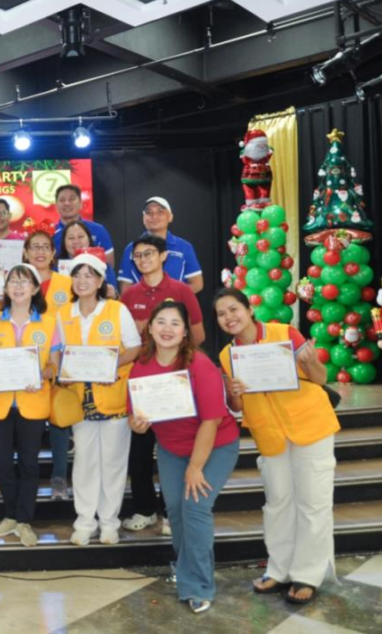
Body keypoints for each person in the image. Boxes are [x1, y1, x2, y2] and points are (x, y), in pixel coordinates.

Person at [215, 287, 339, 606]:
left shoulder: (284, 333)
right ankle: (279, 569)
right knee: (277, 503)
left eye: (233, 309)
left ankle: (307, 575)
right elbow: (237, 405)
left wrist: (310, 362)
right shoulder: (227, 355)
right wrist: (233, 391)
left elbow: (320, 375)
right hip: (270, 435)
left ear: (249, 309)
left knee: (313, 503)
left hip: (310, 426)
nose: (229, 317)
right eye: (221, 313)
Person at [128, 300, 239, 615]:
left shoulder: (199, 364)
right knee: (175, 510)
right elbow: (135, 418)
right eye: (160, 322)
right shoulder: (141, 366)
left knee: (195, 506)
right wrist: (136, 424)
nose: (167, 329)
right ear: (150, 327)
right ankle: (186, 565)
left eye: (175, 323)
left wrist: (195, 468)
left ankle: (198, 585)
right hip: (171, 448)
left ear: (185, 331)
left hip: (215, 445)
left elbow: (212, 420)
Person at [119, 233, 205, 534]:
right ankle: (145, 508)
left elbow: (199, 336)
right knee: (139, 452)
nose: (144, 260)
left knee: (177, 449)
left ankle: (172, 512)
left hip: (175, 381)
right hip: (142, 382)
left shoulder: (181, 290)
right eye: (138, 256)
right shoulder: (128, 296)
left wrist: (170, 345)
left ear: (163, 256)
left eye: (149, 254)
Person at [54, 253, 142, 546]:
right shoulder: (63, 313)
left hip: (113, 397)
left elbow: (134, 348)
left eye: (89, 276)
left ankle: (109, 523)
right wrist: (61, 370)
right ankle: (84, 521)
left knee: (114, 463)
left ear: (101, 280)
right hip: (80, 400)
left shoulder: (116, 310)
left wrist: (109, 367)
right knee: (84, 462)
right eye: (77, 275)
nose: (82, 281)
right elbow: (58, 353)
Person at [0, 264, 59, 547]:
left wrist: (42, 374)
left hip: (32, 402)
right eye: (12, 281)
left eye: (24, 281)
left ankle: (24, 519)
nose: (17, 286)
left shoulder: (49, 323)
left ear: (36, 288)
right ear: (5, 288)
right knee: (1, 463)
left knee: (29, 464)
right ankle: (11, 515)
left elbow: (55, 367)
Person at [23, 229, 75, 500]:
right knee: (27, 421)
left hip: (61, 360)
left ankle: (59, 477)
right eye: (35, 247)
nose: (40, 251)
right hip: (26, 365)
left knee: (58, 420)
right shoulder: (17, 281)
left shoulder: (67, 283)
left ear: (54, 253)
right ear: (26, 252)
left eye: (46, 247)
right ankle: (25, 478)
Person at [119, 198, 204, 294]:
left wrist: (172, 300)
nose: (154, 216)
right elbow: (125, 287)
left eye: (160, 212)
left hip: (175, 307)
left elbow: (197, 283)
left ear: (170, 217)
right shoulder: (131, 249)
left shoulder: (184, 247)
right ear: (143, 219)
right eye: (148, 213)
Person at [52, 184, 115, 268]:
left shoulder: (99, 230)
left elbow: (109, 266)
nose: (67, 203)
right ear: (56, 206)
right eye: (62, 200)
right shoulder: (49, 234)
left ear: (81, 204)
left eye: (72, 199)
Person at [58, 220, 118, 299]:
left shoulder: (104, 267)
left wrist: (114, 295)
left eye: (80, 237)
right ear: (64, 242)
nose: (76, 241)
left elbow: (116, 299)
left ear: (89, 239)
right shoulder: (55, 268)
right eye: (71, 238)